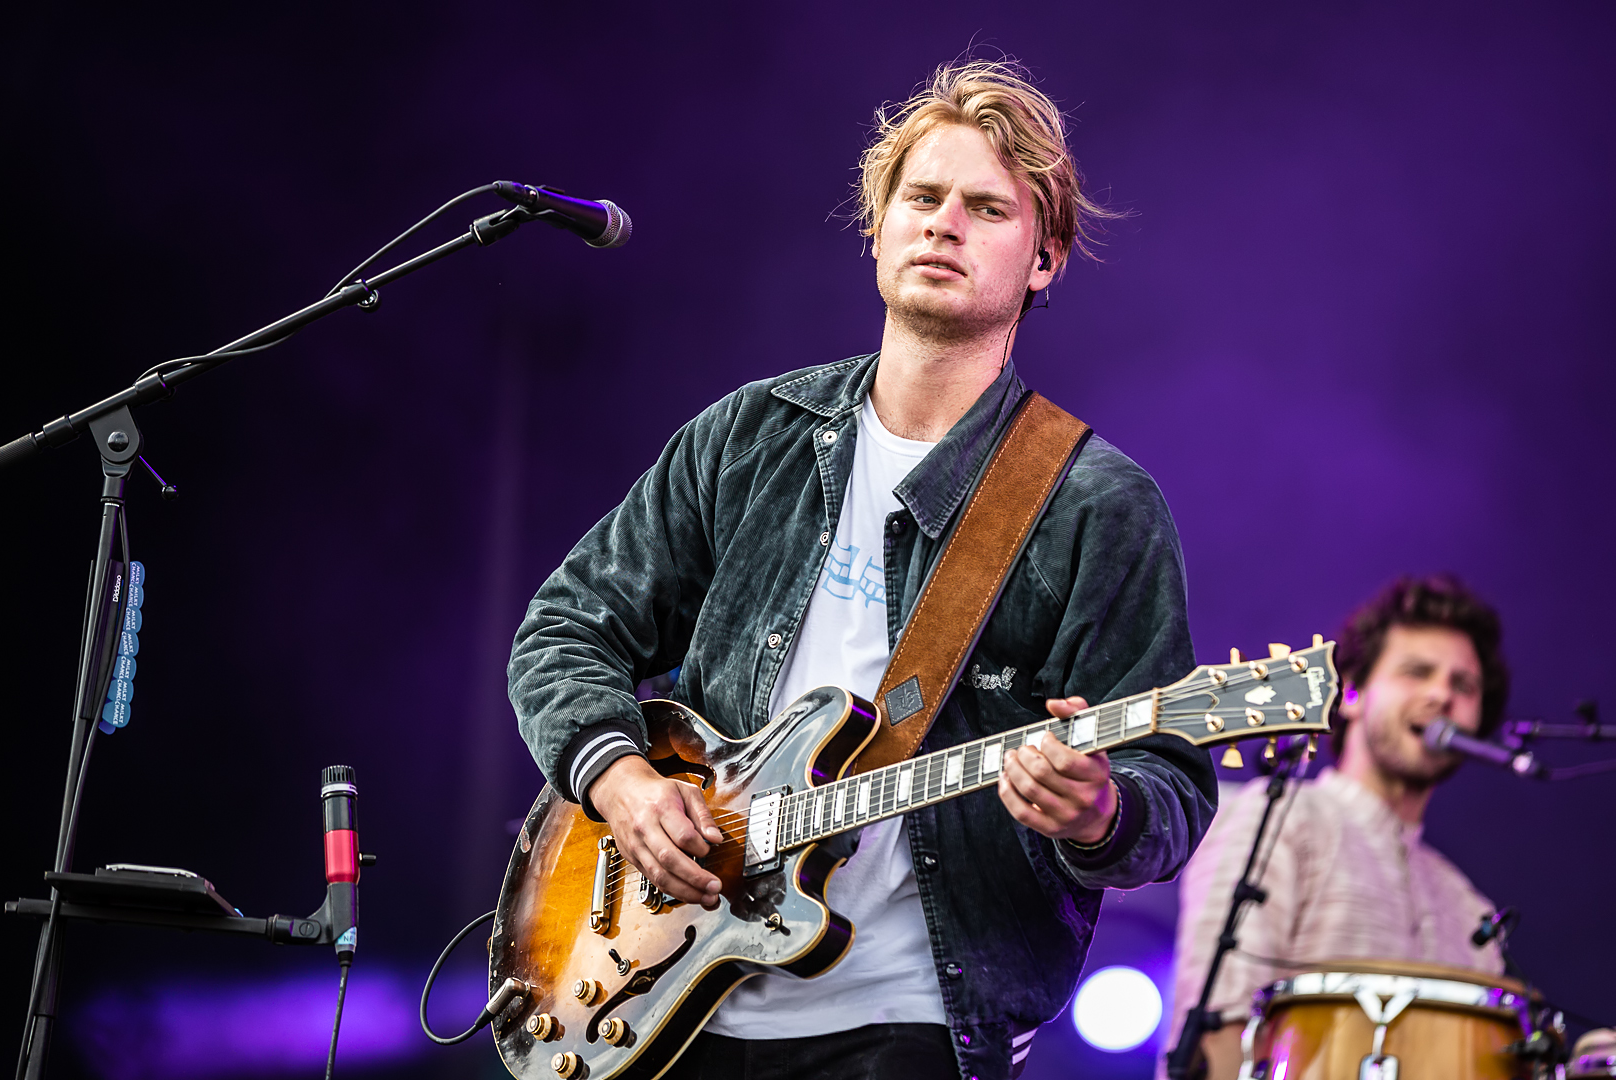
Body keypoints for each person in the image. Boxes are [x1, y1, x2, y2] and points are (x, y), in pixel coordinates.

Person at [509, 59, 1217, 1080]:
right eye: (921, 198)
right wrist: (617, 777)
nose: (944, 224)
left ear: (1045, 259)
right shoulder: (751, 435)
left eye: (986, 208)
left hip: (912, 1022)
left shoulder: (1096, 505)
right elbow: (564, 630)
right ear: (875, 227)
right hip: (666, 1010)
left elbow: (1172, 788)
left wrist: (1104, 814)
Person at [1166, 575, 1512, 1080]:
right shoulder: (1274, 815)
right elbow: (1218, 1027)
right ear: (1350, 691)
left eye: (1464, 685)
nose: (1442, 694)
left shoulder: (1470, 907)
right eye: (1417, 672)